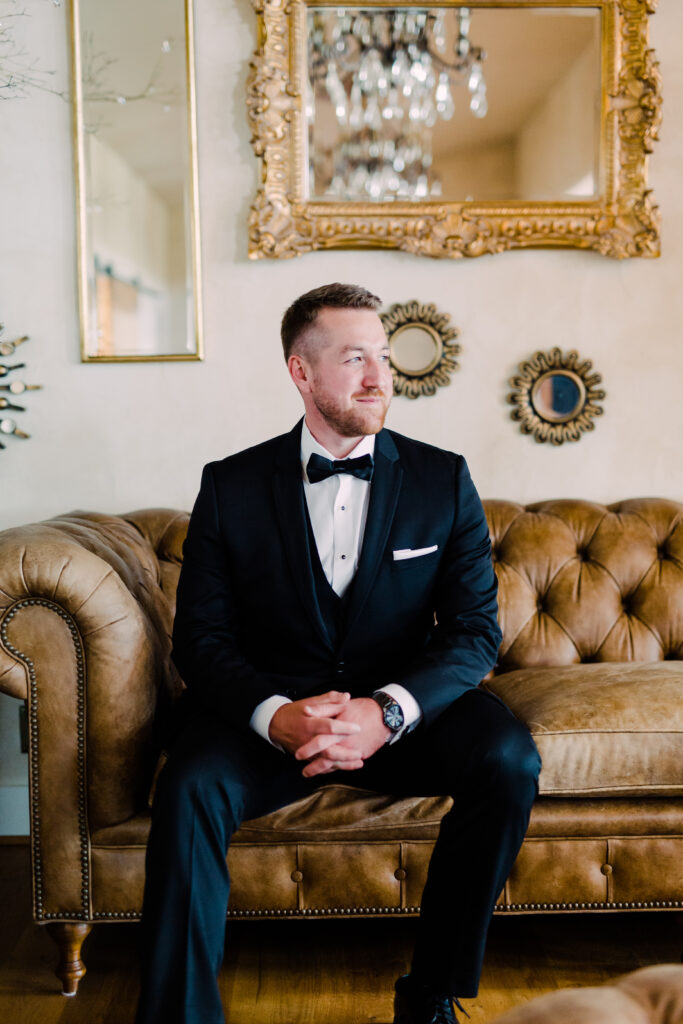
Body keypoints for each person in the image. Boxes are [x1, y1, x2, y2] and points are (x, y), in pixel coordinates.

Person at [135, 283, 541, 1024]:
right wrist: (275, 716)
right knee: (190, 785)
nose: (379, 378)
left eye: (382, 357)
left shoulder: (441, 478)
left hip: (401, 714)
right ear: (301, 372)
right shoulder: (229, 487)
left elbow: (475, 631)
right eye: (355, 359)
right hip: (273, 718)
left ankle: (431, 992)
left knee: (508, 759)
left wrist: (387, 710)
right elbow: (202, 639)